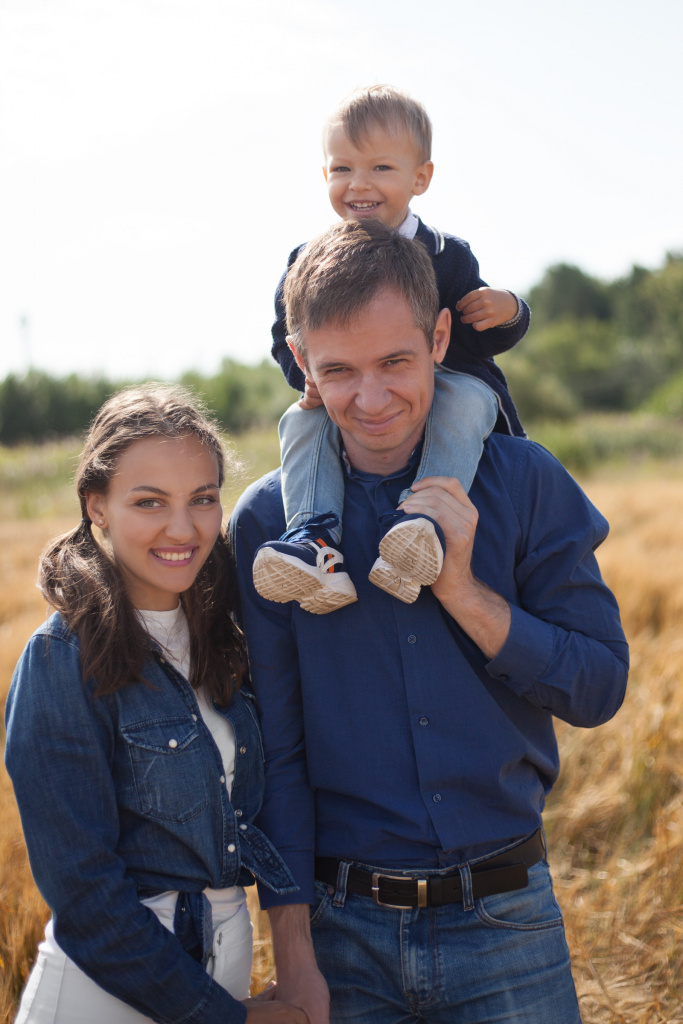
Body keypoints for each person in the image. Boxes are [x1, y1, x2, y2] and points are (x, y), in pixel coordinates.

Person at [230, 220, 630, 1024]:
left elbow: (598, 688)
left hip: (506, 923)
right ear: (300, 360)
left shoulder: (525, 480)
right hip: (341, 939)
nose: (370, 399)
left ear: (439, 338)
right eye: (337, 370)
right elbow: (277, 750)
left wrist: (463, 592)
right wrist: (295, 958)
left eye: (394, 363)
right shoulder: (269, 525)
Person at [5, 384, 308, 1024]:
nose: (183, 528)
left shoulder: (227, 641)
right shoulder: (63, 659)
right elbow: (87, 899)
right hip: (104, 1000)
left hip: (220, 975)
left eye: (203, 498)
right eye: (150, 502)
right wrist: (225, 1018)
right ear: (97, 506)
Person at [253, 84, 531, 614]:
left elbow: (478, 333)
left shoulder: (447, 256)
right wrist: (311, 378)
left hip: (447, 378)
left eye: (381, 168)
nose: (359, 183)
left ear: (419, 178)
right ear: (324, 173)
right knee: (300, 421)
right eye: (342, 168)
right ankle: (314, 540)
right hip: (345, 385)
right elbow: (283, 336)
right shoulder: (307, 263)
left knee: (467, 401)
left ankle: (423, 524)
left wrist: (511, 312)